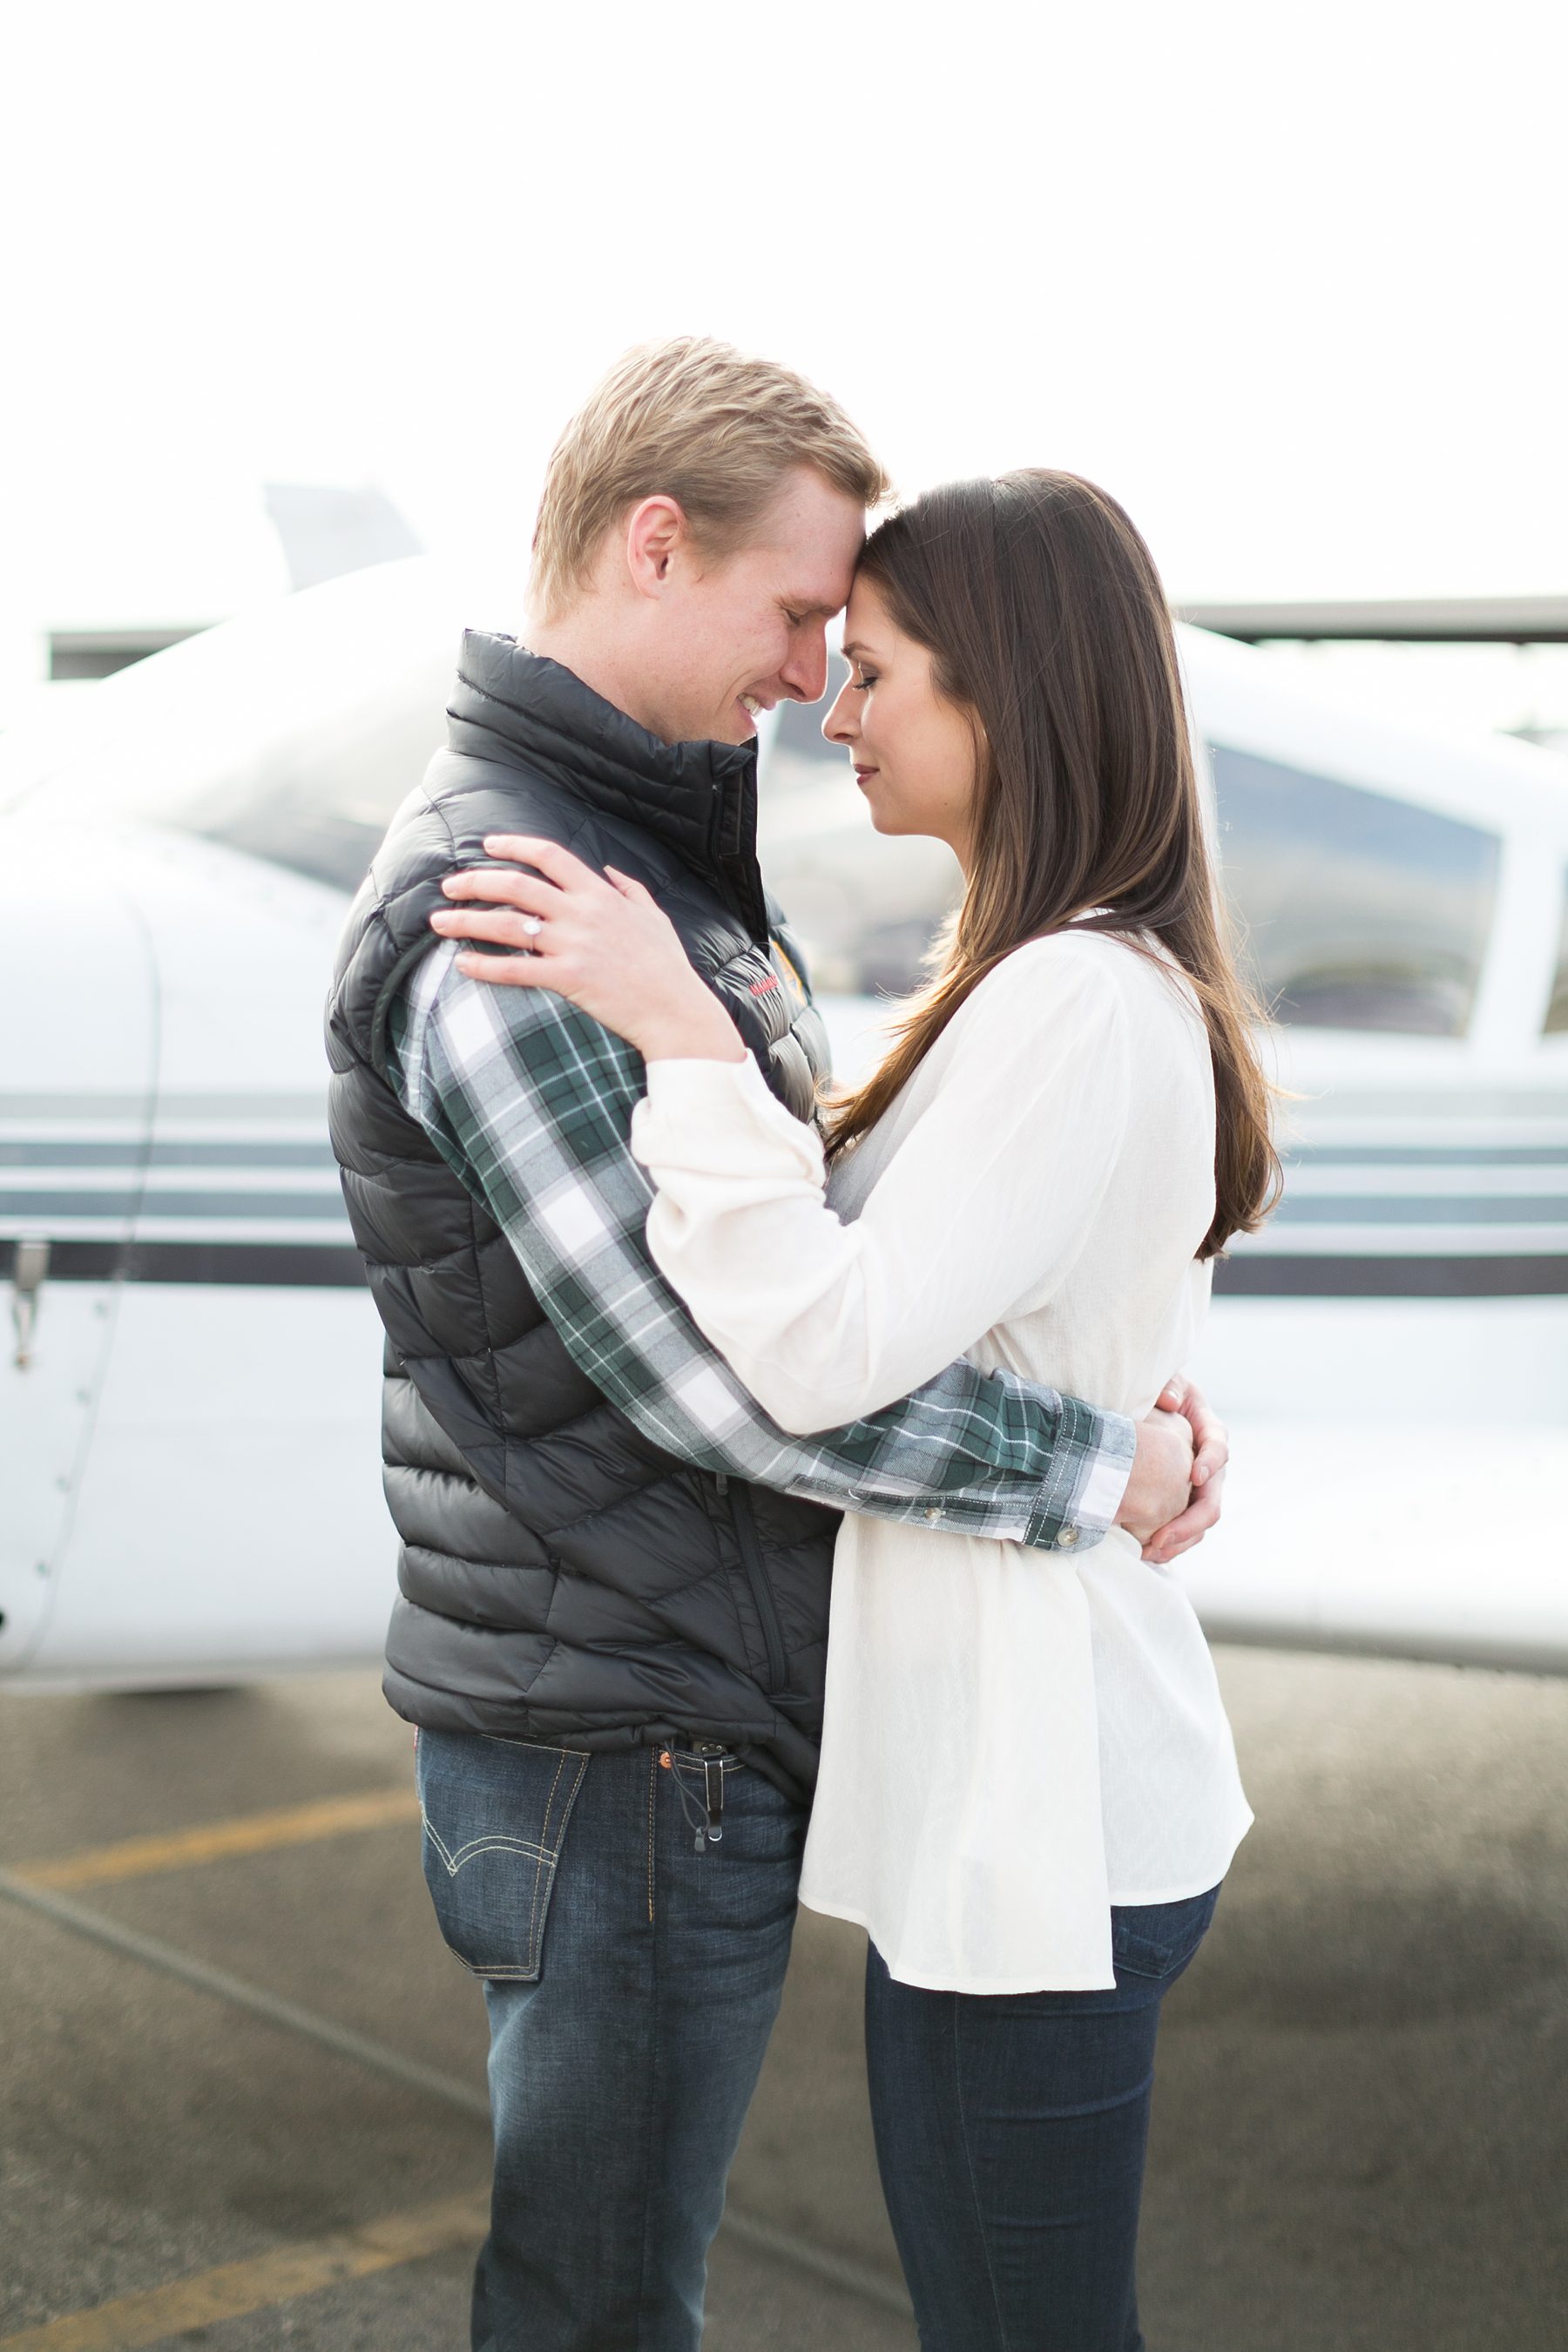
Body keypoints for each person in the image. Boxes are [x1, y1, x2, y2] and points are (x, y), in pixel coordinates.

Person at [326, 342, 1226, 2352]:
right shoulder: (524, 899)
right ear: (659, 546)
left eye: (864, 645)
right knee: (604, 2301)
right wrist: (1100, 1466)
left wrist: (1112, 1389)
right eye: (806, 615)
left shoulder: (656, 870)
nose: (816, 682)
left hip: (691, 1715)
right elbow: (723, 1374)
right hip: (620, 1731)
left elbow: (876, 1251)